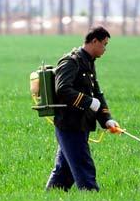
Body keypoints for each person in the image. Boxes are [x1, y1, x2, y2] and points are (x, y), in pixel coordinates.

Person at [45, 26, 121, 192]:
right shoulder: (71, 62)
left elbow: (97, 94)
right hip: (69, 125)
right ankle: (92, 198)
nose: (105, 49)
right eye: (104, 44)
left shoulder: (88, 63)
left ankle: (50, 199)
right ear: (94, 41)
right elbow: (62, 89)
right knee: (84, 167)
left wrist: (107, 119)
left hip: (81, 124)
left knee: (64, 172)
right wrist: (88, 102)